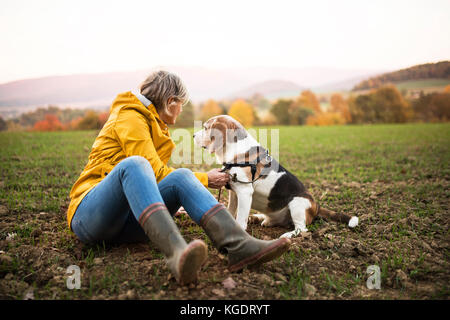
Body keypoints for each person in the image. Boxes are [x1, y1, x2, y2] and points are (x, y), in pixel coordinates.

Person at [67, 70, 291, 285]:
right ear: (170, 101)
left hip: (127, 221)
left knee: (181, 176)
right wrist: (206, 179)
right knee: (135, 164)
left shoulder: (153, 123)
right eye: (181, 104)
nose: (181, 110)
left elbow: (150, 180)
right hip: (90, 217)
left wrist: (171, 198)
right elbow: (150, 170)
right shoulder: (130, 117)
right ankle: (177, 254)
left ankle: (239, 246)